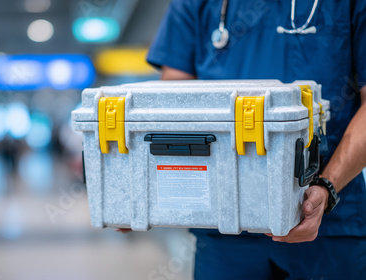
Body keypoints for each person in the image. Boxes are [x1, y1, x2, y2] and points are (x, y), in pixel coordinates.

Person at [145, 0, 366, 279]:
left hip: (330, 222)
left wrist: (327, 185)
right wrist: (147, 198)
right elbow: (176, 100)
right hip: (223, 225)